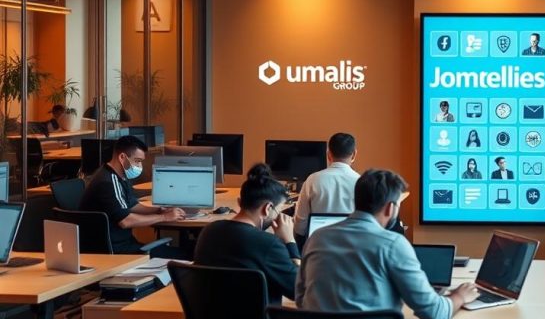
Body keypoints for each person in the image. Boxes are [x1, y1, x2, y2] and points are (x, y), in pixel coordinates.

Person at [297, 169, 479, 319]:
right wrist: (458, 296)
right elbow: (435, 313)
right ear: (390, 208)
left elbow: (301, 299)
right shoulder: (392, 244)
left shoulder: (317, 238)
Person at [193, 164, 300, 303]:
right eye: (278, 211)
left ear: (239, 202)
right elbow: (300, 291)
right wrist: (290, 241)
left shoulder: (208, 231)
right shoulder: (268, 244)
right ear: (268, 208)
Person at [79, 135, 185, 255]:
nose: (140, 166)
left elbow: (132, 205)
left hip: (125, 245)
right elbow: (126, 221)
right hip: (117, 251)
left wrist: (159, 210)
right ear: (122, 157)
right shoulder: (107, 182)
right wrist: (165, 217)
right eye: (137, 161)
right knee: (184, 255)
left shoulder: (119, 176)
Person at [295, 132, 359, 239]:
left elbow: (300, 227)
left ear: (328, 154)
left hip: (317, 244)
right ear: (354, 154)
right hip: (351, 244)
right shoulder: (361, 182)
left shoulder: (313, 180)